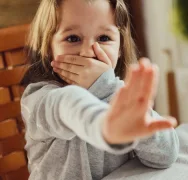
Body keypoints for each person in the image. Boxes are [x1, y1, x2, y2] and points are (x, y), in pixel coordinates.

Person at [20, 0, 179, 179]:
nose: (88, 52)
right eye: (73, 38)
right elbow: (67, 103)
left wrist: (110, 90)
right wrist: (106, 128)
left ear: (119, 48)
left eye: (104, 38)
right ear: (48, 47)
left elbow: (165, 156)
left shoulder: (116, 93)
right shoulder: (37, 99)